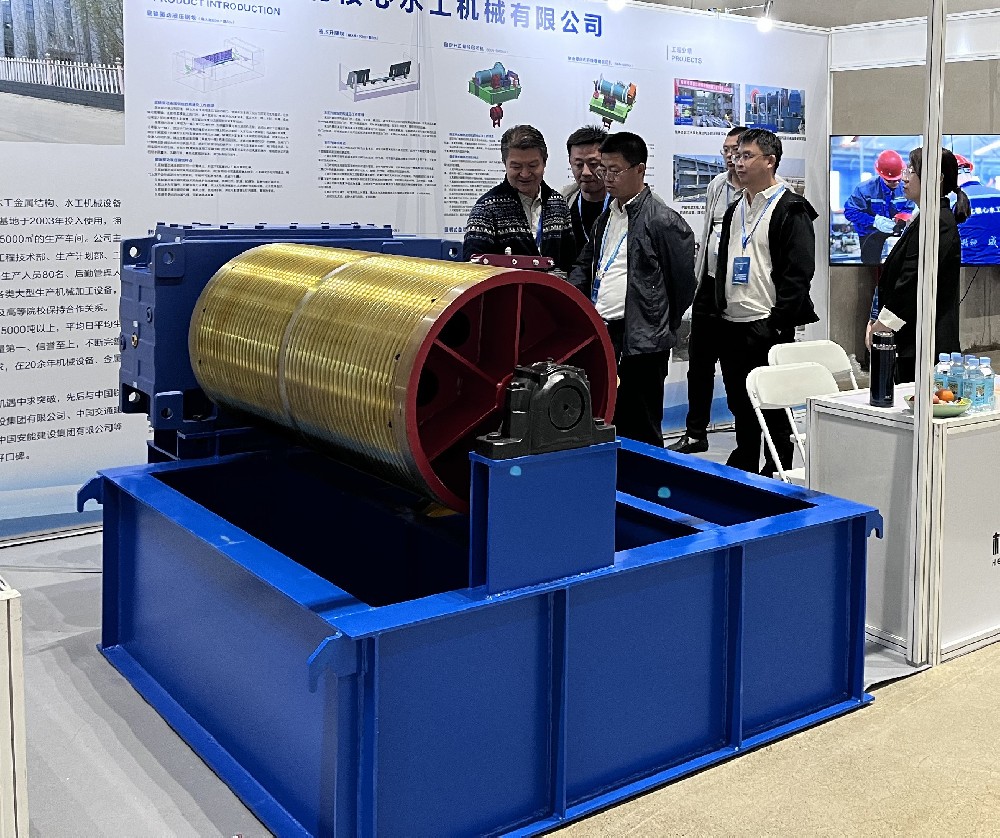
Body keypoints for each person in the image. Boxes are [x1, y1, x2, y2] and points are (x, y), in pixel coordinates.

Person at [693, 127, 819, 475]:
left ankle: (778, 469)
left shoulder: (791, 208)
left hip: (767, 326)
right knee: (740, 402)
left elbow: (799, 274)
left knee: (773, 406)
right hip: (731, 323)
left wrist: (777, 323)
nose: (738, 162)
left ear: (770, 161)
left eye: (747, 156)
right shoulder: (736, 208)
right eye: (736, 155)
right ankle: (746, 463)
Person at [568, 132, 697, 446]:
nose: (607, 178)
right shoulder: (608, 217)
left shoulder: (663, 221)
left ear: (640, 170)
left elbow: (683, 285)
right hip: (606, 331)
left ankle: (648, 477)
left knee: (642, 425)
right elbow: (587, 266)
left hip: (643, 339)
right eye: (604, 170)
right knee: (607, 418)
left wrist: (658, 323)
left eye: (615, 170)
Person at [669, 126, 746, 454]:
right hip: (709, 285)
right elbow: (708, 233)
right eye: (725, 150)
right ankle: (695, 432)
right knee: (699, 364)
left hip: (740, 291)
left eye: (736, 150)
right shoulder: (717, 185)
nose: (730, 156)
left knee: (736, 368)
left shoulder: (766, 191)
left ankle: (746, 439)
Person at [867, 147, 968, 383]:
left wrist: (884, 324)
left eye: (911, 171)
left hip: (925, 344)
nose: (904, 178)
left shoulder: (938, 222)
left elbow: (912, 281)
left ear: (936, 178)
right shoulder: (924, 216)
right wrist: (875, 319)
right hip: (911, 339)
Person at [463, 124, 577, 275]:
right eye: (516, 167)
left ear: (544, 162)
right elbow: (473, 269)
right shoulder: (486, 208)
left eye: (532, 165)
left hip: (553, 289)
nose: (525, 174)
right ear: (504, 163)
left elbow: (570, 261)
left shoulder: (558, 203)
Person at [844, 149, 915, 264]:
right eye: (891, 181)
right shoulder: (865, 189)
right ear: (881, 175)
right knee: (871, 264)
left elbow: (908, 208)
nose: (896, 183)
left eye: (898, 179)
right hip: (869, 233)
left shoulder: (905, 187)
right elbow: (850, 212)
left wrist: (901, 218)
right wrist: (874, 221)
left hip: (894, 230)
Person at [559, 125, 610, 255]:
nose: (586, 172)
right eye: (579, 165)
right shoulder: (561, 202)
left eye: (593, 164)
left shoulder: (626, 202)